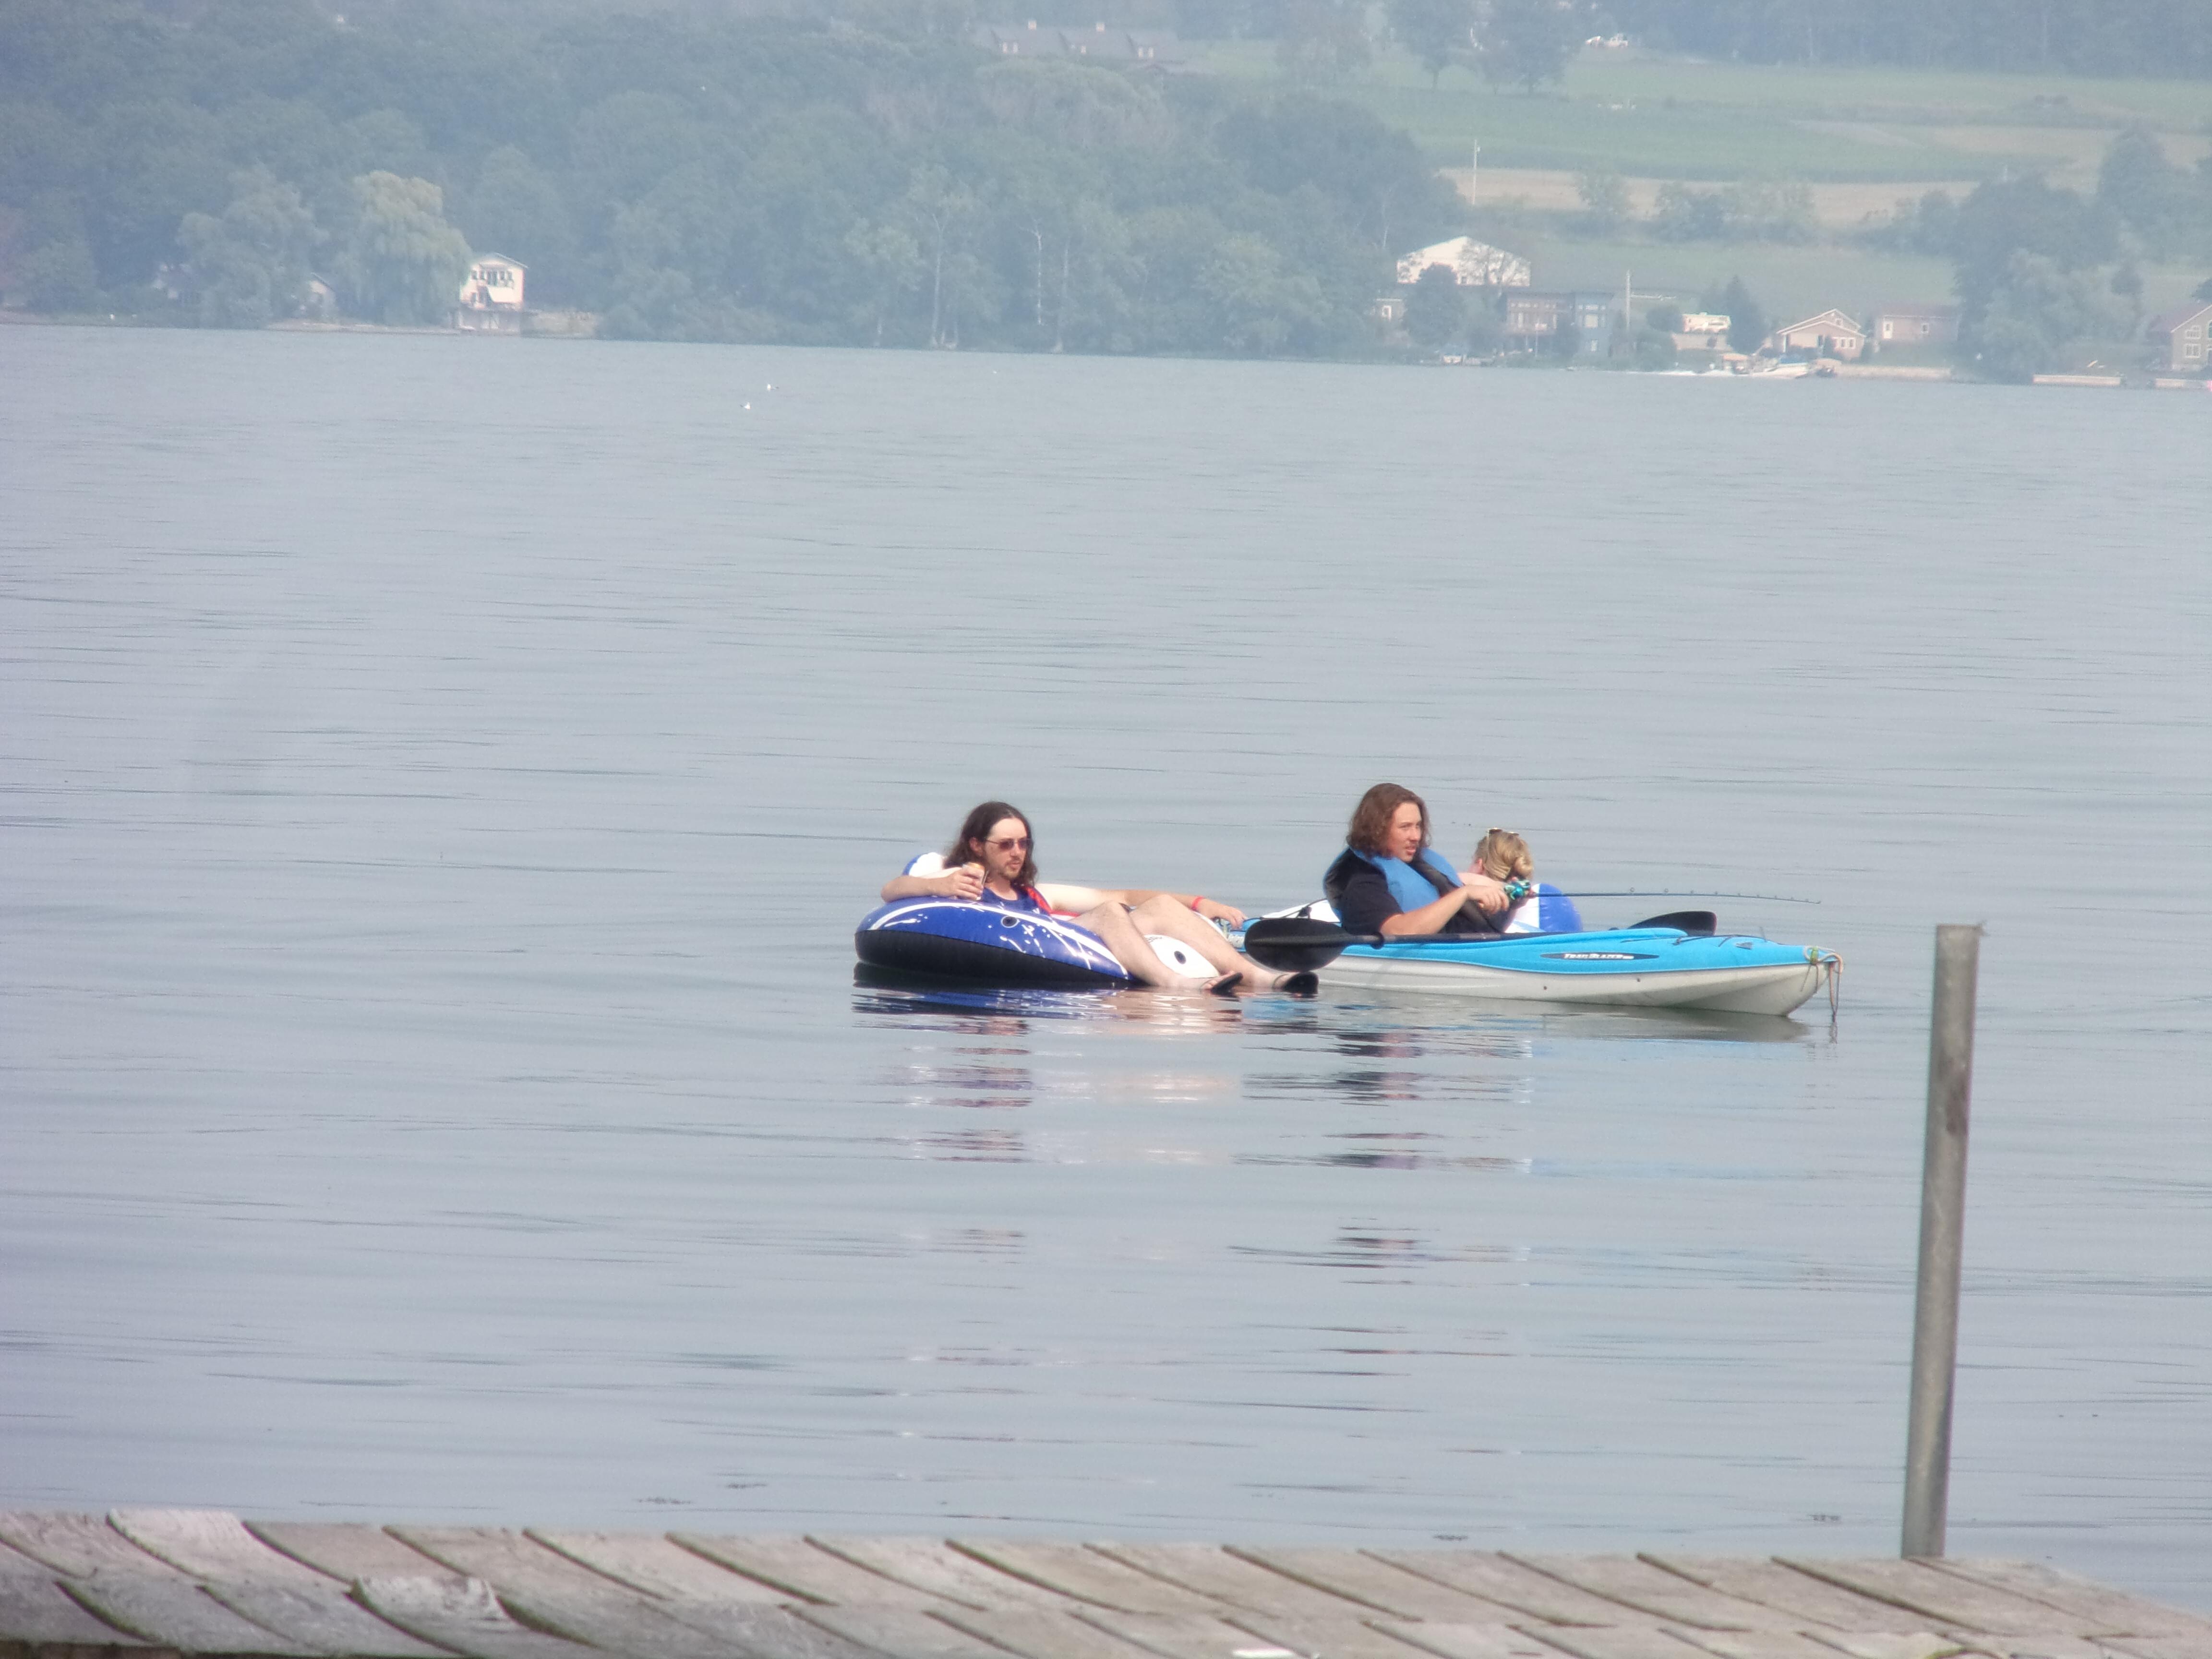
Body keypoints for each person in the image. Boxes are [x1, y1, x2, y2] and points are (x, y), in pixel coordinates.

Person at [882, 801, 1314, 994]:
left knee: (1157, 907)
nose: (1018, 853)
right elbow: (892, 891)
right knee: (1109, 913)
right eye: (1006, 845)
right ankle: (1174, 984)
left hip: (1071, 945)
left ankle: (1258, 977)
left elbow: (1124, 894)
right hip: (1020, 947)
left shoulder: (1036, 893)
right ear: (977, 846)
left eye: (1024, 844)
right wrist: (938, 886)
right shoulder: (959, 880)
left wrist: (1202, 905)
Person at [1322, 783, 1511, 938]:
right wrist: (1464, 894)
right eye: (1405, 827)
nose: (1416, 836)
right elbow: (1400, 932)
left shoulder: (1418, 866)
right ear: (1378, 830)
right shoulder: (1365, 885)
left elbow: (1452, 886)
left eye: (1418, 826)